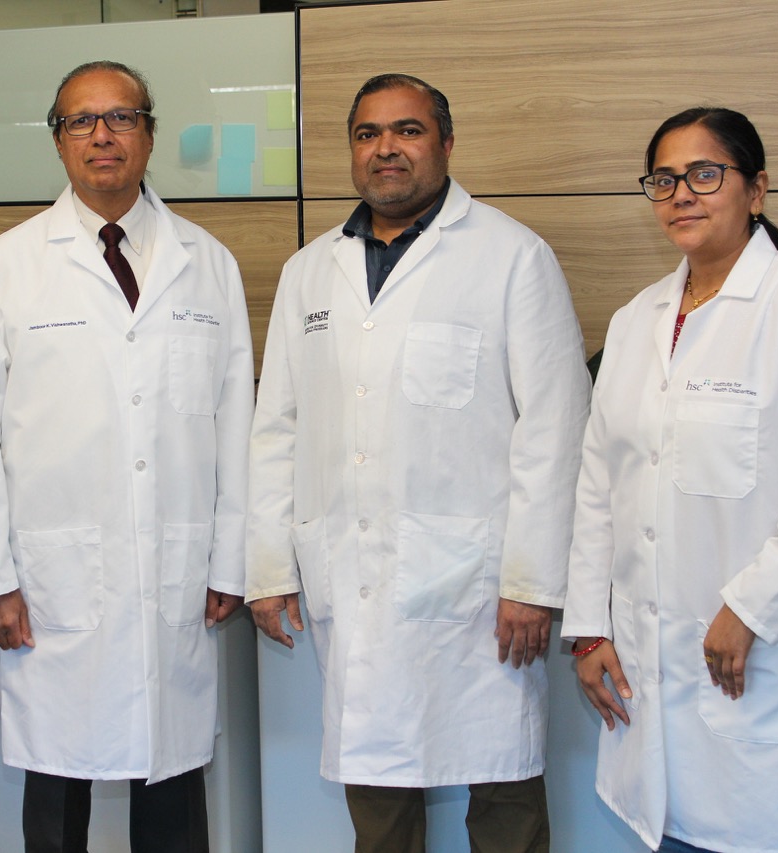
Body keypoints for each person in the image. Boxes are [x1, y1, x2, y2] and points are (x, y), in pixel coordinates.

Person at [246, 73, 590, 853]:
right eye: (368, 133)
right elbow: (277, 428)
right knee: (378, 793)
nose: (386, 149)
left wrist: (533, 582)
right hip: (355, 575)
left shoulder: (512, 257)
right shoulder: (310, 272)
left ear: (446, 143)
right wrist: (268, 567)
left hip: (483, 589)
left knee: (502, 786)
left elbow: (555, 428)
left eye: (407, 130)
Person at [0, 60, 253, 853]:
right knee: (58, 779)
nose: (102, 135)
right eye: (81, 120)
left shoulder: (207, 263)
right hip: (54, 580)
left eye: (121, 117)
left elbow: (234, 425)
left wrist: (230, 559)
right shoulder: (6, 266)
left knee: (173, 775)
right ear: (58, 141)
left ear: (149, 133)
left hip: (175, 570)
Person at [563, 107, 778, 853]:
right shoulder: (636, 321)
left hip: (764, 666)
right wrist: (589, 628)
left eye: (704, 174)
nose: (681, 195)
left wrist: (752, 606)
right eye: (664, 179)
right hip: (648, 673)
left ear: (755, 190)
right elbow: (599, 485)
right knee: (673, 830)